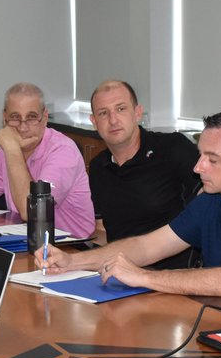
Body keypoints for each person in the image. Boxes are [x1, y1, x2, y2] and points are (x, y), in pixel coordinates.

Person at [35, 108, 221, 307]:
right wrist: (72, 262)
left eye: (213, 159)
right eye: (200, 156)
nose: (198, 168)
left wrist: (143, 277)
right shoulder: (212, 200)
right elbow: (148, 247)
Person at [86, 80, 201, 267]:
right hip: (120, 274)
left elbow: (210, 210)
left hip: (172, 277)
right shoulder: (99, 166)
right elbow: (103, 231)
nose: (113, 120)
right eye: (103, 113)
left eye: (121, 109)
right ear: (94, 121)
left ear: (138, 112)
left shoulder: (173, 149)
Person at [0, 82, 95, 239]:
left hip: (71, 248)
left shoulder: (63, 151)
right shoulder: (7, 151)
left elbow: (34, 212)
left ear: (44, 117)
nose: (23, 128)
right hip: (27, 241)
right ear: (4, 118)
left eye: (31, 117)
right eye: (15, 118)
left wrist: (12, 149)